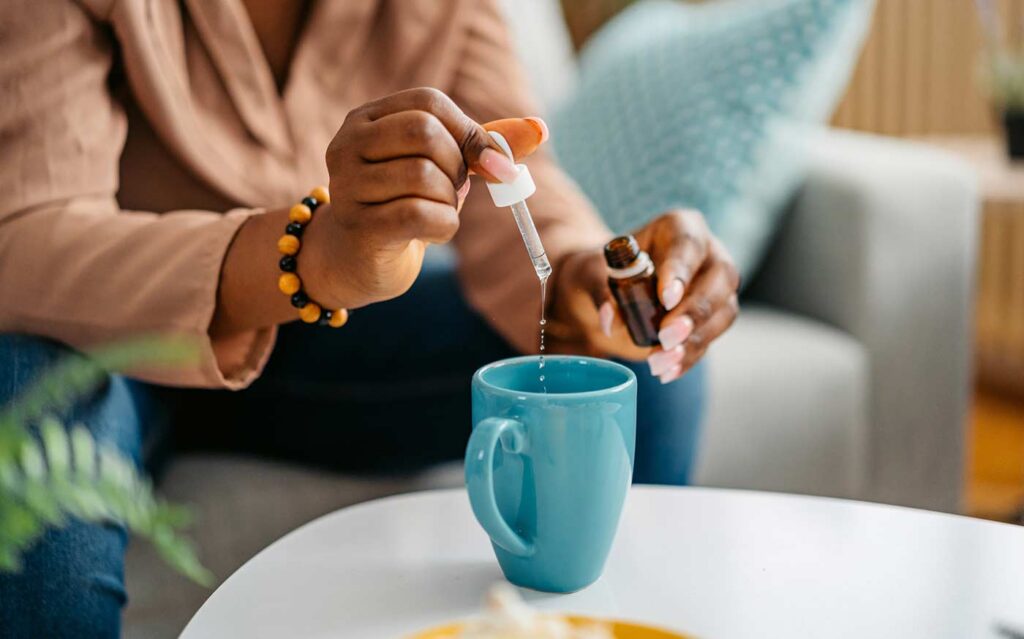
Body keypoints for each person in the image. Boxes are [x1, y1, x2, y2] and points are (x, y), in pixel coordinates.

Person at [0, 0, 740, 635]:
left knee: (638, 374)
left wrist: (593, 284)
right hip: (112, 332)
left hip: (323, 328)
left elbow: (515, 177)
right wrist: (309, 256)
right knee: (25, 443)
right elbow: (28, 230)